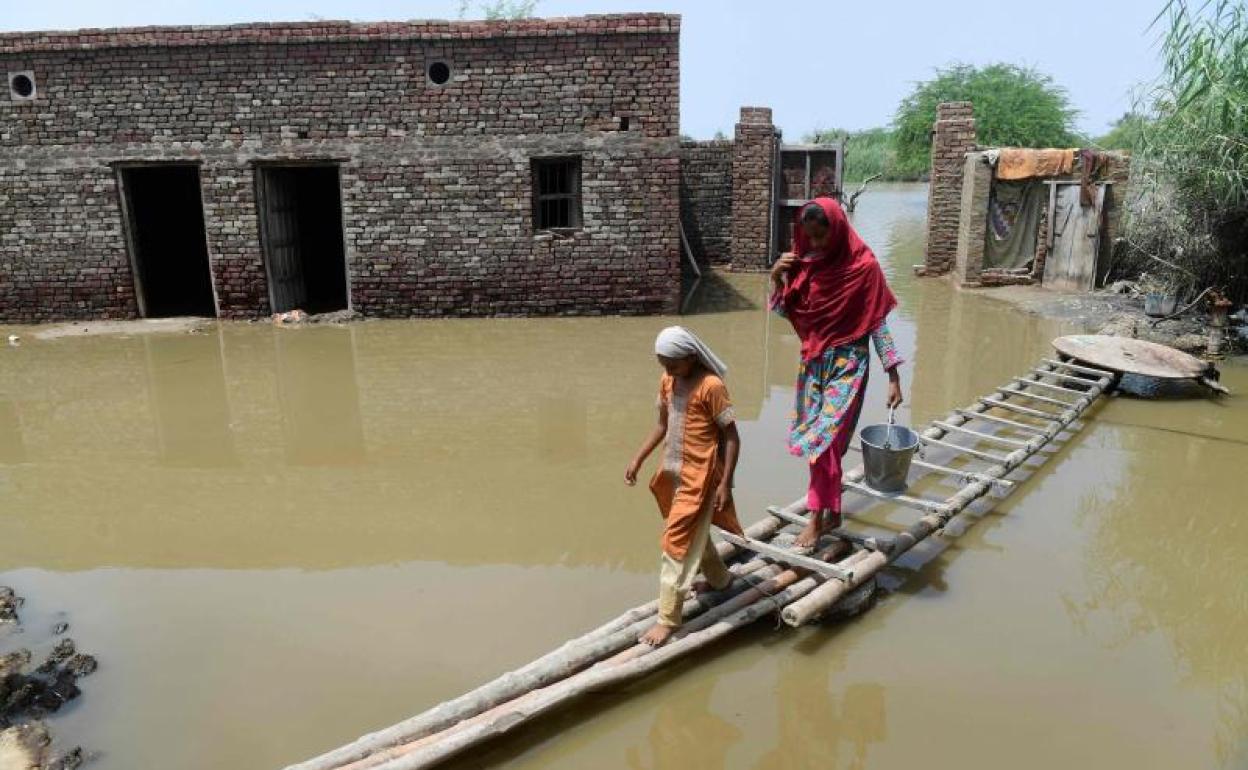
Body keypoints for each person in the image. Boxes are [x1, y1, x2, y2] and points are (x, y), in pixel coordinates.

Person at [770, 198, 905, 552]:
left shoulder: (864, 267)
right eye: (810, 237)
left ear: (838, 229)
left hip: (848, 365)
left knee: (824, 442)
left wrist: (893, 376)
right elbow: (787, 311)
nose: (815, 244)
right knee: (820, 443)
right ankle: (833, 512)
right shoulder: (806, 264)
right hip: (813, 364)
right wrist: (777, 276)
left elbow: (877, 324)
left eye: (821, 237)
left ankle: (816, 520)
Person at [625, 326, 744, 647]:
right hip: (673, 473)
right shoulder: (668, 381)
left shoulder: (711, 386)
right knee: (693, 534)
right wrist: (638, 459)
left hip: (700, 480)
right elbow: (662, 425)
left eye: (673, 365)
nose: (668, 371)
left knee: (674, 545)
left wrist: (726, 483)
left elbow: (732, 437)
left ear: (691, 357)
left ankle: (667, 619)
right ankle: (720, 581)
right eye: (663, 365)